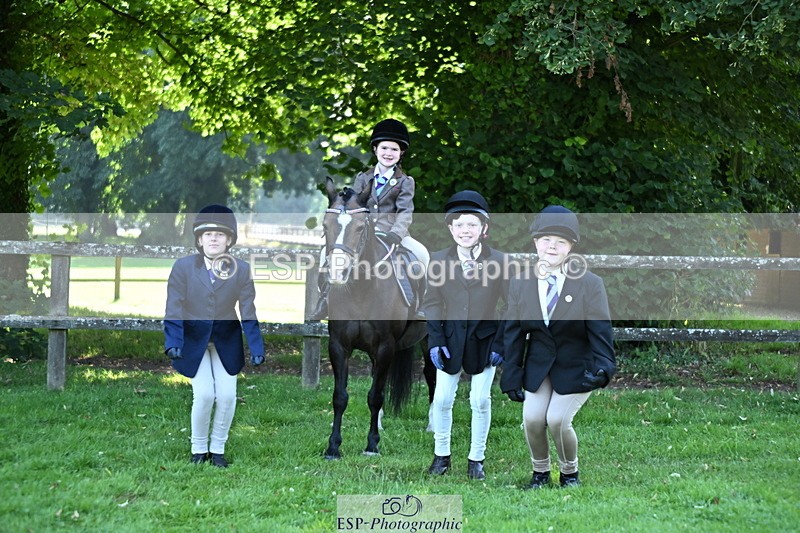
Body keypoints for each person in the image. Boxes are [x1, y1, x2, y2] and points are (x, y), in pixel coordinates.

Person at [500, 205, 615, 488]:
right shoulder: (520, 283)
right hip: (539, 365)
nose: (552, 246)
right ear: (535, 243)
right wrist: (511, 373)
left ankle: (569, 473)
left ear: (571, 247)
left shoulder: (589, 284)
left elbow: (600, 330)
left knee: (557, 420)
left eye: (561, 241)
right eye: (546, 239)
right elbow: (513, 332)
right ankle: (540, 473)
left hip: (577, 365)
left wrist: (604, 367)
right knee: (532, 417)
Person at [164, 204, 265, 468]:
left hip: (225, 341)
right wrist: (173, 342)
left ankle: (217, 449)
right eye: (207, 234)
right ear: (199, 239)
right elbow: (173, 307)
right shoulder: (183, 267)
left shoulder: (240, 269)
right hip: (192, 341)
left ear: (229, 239)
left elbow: (248, 309)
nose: (213, 238)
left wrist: (256, 345)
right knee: (206, 395)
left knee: (228, 396)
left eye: (220, 234)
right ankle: (199, 449)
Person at [423, 190, 509, 480]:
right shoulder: (437, 260)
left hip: (485, 341)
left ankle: (476, 459)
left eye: (472, 224)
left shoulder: (499, 260)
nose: (465, 230)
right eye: (459, 224)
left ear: (484, 228)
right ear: (450, 229)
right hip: (449, 340)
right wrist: (435, 340)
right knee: (443, 399)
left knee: (480, 400)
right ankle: (441, 455)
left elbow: (511, 305)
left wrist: (501, 343)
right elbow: (432, 302)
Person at [307, 118, 429, 320]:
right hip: (362, 232)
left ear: (401, 153)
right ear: (375, 149)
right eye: (384, 148)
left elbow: (405, 212)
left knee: (421, 254)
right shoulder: (363, 177)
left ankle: (419, 305)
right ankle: (325, 299)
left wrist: (396, 234)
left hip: (392, 234)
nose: (388, 153)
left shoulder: (405, 181)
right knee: (325, 255)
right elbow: (355, 206)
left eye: (394, 150)